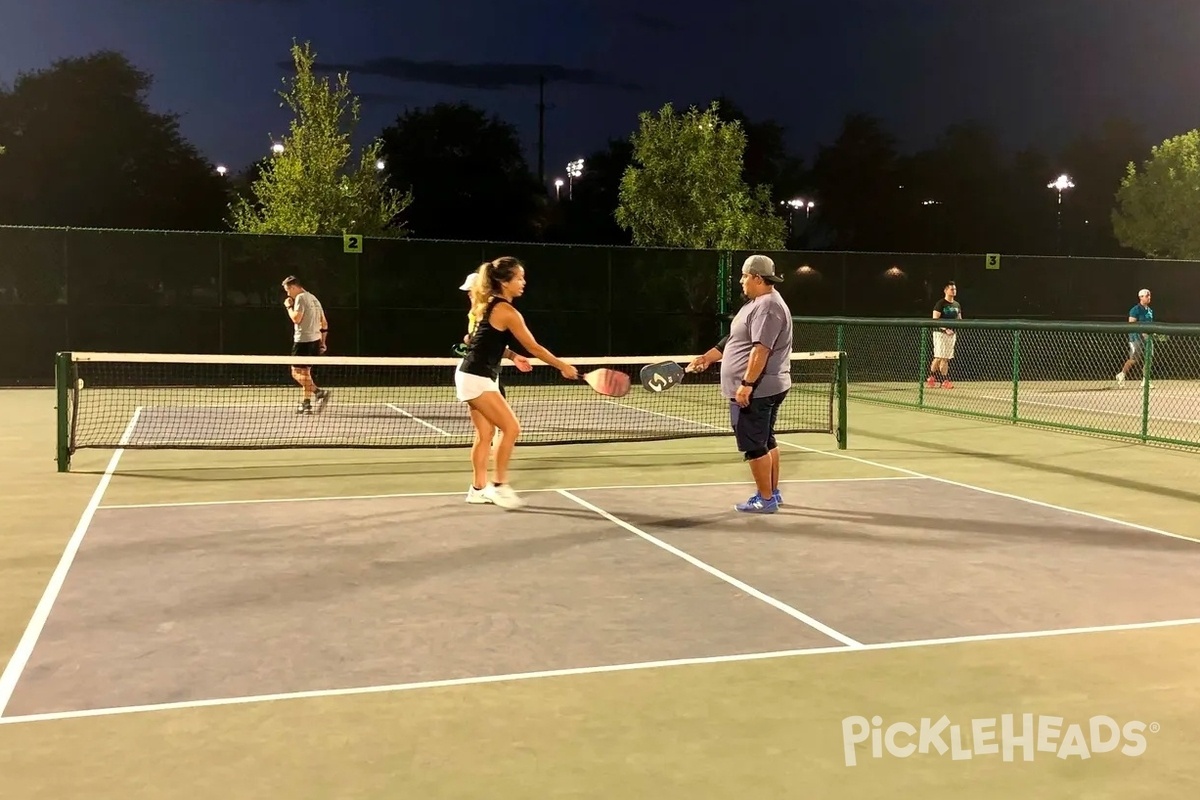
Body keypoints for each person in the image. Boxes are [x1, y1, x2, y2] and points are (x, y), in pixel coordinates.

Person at [455, 256, 577, 508]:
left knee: (485, 434)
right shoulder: (506, 311)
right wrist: (561, 365)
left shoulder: (488, 305)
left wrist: (512, 355)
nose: (523, 282)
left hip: (475, 374)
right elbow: (534, 346)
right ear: (504, 281)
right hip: (476, 377)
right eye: (519, 278)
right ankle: (499, 486)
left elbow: (479, 341)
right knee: (511, 428)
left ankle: (477, 489)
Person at [688, 255, 793, 514]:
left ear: (758, 278)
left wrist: (746, 384)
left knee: (755, 446)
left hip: (757, 390)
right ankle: (772, 493)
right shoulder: (756, 304)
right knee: (766, 441)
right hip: (763, 387)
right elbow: (734, 340)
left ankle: (765, 499)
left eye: (745, 276)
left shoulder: (767, 307)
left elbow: (760, 350)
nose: (741, 280)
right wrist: (707, 358)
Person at [458, 271, 532, 448]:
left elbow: (490, 343)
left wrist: (513, 356)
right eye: (467, 292)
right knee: (496, 431)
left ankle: (494, 464)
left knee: (497, 431)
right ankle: (494, 466)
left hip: (487, 373)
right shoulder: (476, 312)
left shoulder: (492, 310)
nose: (469, 294)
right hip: (477, 374)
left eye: (471, 290)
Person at [282, 275, 331, 415]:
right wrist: (323, 343)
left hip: (303, 341)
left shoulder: (300, 298)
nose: (287, 294)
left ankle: (319, 392)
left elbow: (296, 319)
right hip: (315, 341)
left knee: (296, 373)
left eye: (288, 290)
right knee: (305, 373)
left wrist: (288, 306)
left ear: (293, 287)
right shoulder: (314, 299)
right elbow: (324, 323)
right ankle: (306, 404)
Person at [927, 281, 962, 389]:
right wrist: (945, 329)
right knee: (941, 357)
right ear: (945, 290)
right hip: (940, 334)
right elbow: (935, 320)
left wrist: (955, 329)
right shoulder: (940, 304)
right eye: (952, 289)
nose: (954, 291)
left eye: (955, 289)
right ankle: (944, 381)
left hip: (951, 335)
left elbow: (960, 319)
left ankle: (931, 378)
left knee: (942, 358)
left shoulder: (957, 304)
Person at [1117, 288, 1154, 386]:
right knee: (1134, 359)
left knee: (1149, 358)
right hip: (1136, 338)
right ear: (1141, 297)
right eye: (1147, 296)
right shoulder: (1135, 310)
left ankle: (1145, 380)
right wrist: (1142, 332)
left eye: (1149, 295)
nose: (1149, 297)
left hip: (1147, 338)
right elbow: (1131, 324)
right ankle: (1122, 374)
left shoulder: (1150, 310)